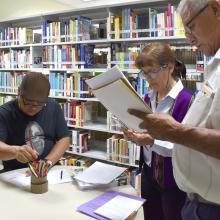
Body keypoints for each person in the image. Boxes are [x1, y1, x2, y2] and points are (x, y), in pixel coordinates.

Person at [128, 0, 220, 219]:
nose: (189, 38)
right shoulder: (213, 67)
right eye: (144, 73)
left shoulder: (185, 99)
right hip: (185, 193)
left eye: (190, 26)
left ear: (215, 9)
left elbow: (178, 139)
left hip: (185, 193)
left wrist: (167, 134)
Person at [123, 42, 193, 220]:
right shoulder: (149, 96)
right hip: (148, 174)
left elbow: (186, 147)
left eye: (152, 71)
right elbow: (146, 131)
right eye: (144, 73)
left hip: (173, 182)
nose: (148, 78)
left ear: (169, 67)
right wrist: (134, 134)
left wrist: (151, 141)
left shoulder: (187, 101)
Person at [0, 72, 70, 172]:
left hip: (49, 168)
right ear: (19, 92)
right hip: (16, 172)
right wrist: (15, 151)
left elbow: (64, 139)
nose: (33, 108)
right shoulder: (4, 113)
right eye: (28, 103)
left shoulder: (53, 107)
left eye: (40, 104)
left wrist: (47, 163)